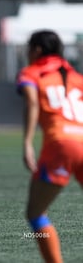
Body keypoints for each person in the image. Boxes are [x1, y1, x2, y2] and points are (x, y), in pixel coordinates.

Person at [17, 30, 83, 263]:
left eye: (28, 48)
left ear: (37, 50)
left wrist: (27, 143)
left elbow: (32, 102)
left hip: (61, 145)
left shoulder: (32, 73)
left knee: (35, 212)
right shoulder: (76, 76)